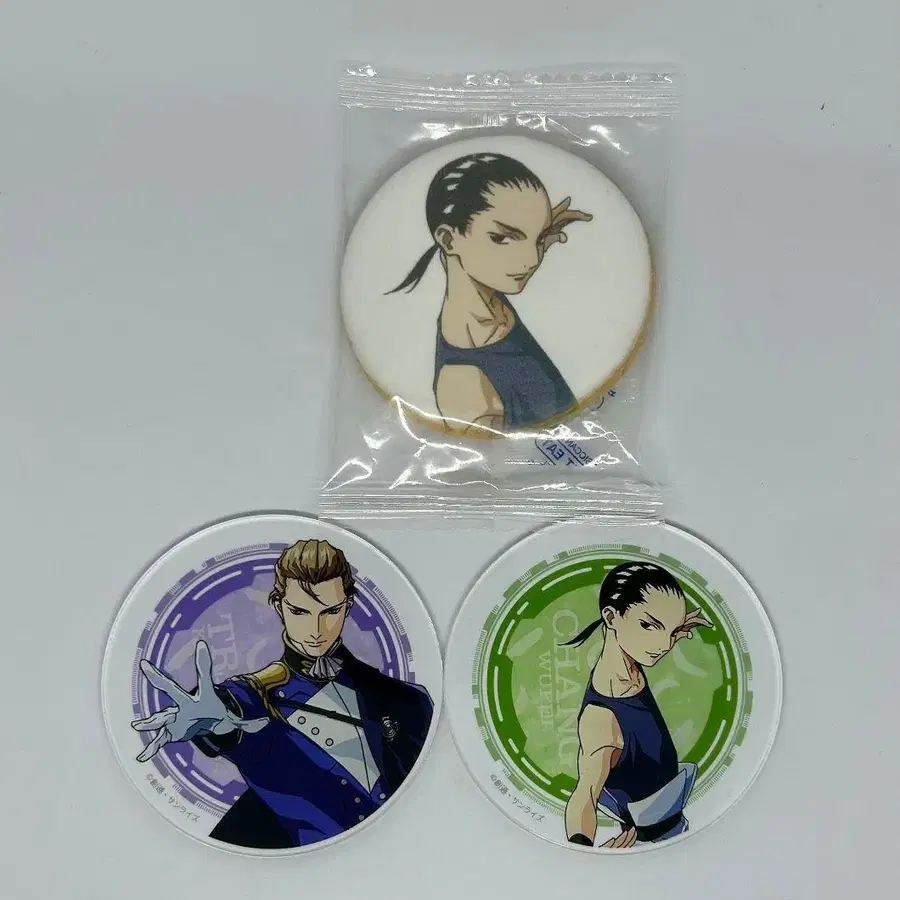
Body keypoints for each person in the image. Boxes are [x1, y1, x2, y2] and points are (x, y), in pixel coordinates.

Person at [131, 539, 434, 850]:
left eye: (330, 611)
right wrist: (216, 725)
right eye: (300, 612)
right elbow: (232, 717)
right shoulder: (252, 694)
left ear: (348, 605)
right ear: (279, 606)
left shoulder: (408, 700)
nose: (316, 629)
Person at [389, 152, 592, 433]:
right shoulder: (465, 383)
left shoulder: (488, 297)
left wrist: (535, 233)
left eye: (538, 239)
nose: (532, 259)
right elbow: (503, 460)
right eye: (502, 238)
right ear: (448, 239)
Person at [563, 562, 712, 849]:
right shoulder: (601, 719)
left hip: (677, 831)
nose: (664, 645)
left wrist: (672, 628)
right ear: (611, 617)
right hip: (651, 847)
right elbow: (585, 795)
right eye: (649, 625)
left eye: (671, 632)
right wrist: (584, 853)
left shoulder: (631, 661)